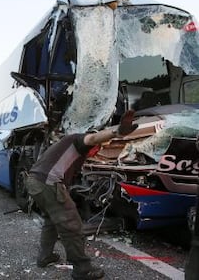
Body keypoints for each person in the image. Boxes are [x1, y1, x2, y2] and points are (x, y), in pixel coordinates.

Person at [25, 110, 138, 280]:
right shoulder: (79, 140)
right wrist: (118, 132)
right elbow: (92, 139)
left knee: (51, 220)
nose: (96, 151)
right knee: (72, 226)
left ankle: (45, 256)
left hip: (34, 182)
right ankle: (82, 270)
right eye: (98, 148)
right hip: (48, 183)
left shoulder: (66, 145)